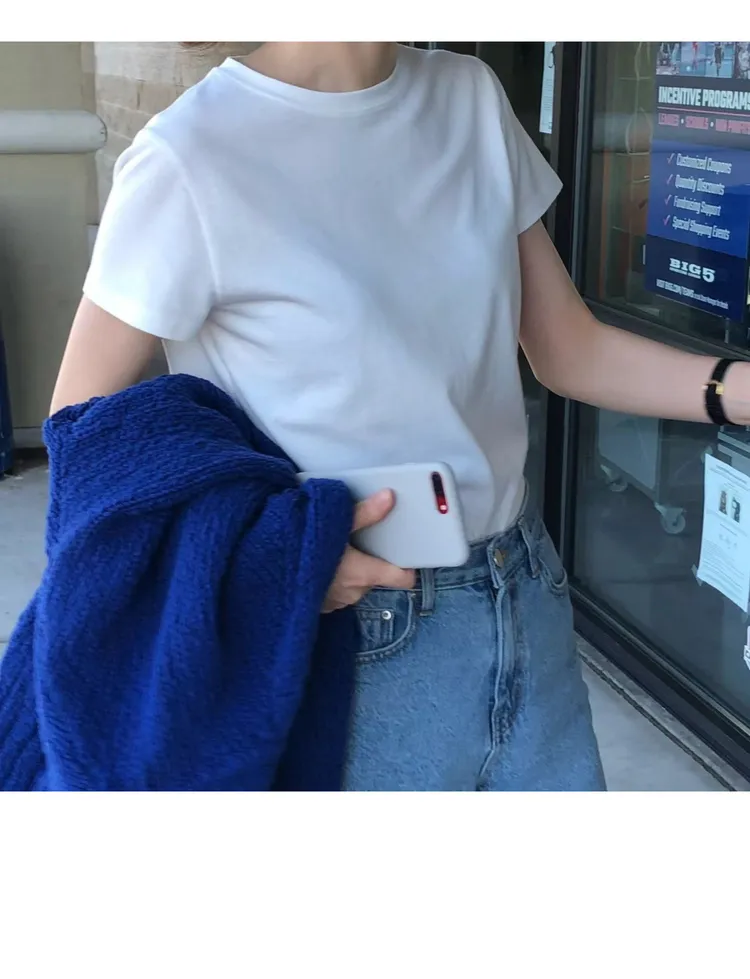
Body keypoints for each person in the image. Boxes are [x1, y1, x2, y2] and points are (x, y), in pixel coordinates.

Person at [52, 43, 750, 792]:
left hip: (522, 589)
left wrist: (733, 387)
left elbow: (568, 349)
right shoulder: (189, 156)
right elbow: (83, 433)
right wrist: (269, 563)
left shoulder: (469, 96)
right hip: (353, 633)